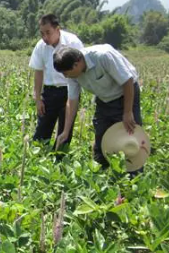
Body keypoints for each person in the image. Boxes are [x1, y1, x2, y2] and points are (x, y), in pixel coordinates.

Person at [53, 44, 143, 172]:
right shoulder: (73, 75)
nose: (65, 76)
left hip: (125, 94)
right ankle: (100, 176)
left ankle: (132, 179)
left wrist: (127, 112)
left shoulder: (102, 56)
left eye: (66, 73)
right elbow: (72, 101)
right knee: (101, 137)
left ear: (77, 64)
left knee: (130, 136)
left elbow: (127, 81)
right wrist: (66, 131)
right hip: (103, 98)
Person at [29, 14, 83, 150]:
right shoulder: (41, 46)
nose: (45, 37)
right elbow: (38, 71)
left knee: (65, 132)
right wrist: (38, 98)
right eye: (42, 33)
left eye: (48, 33)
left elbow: (81, 67)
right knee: (41, 133)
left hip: (69, 90)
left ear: (57, 29)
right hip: (49, 92)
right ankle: (36, 160)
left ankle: (59, 163)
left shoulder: (73, 42)